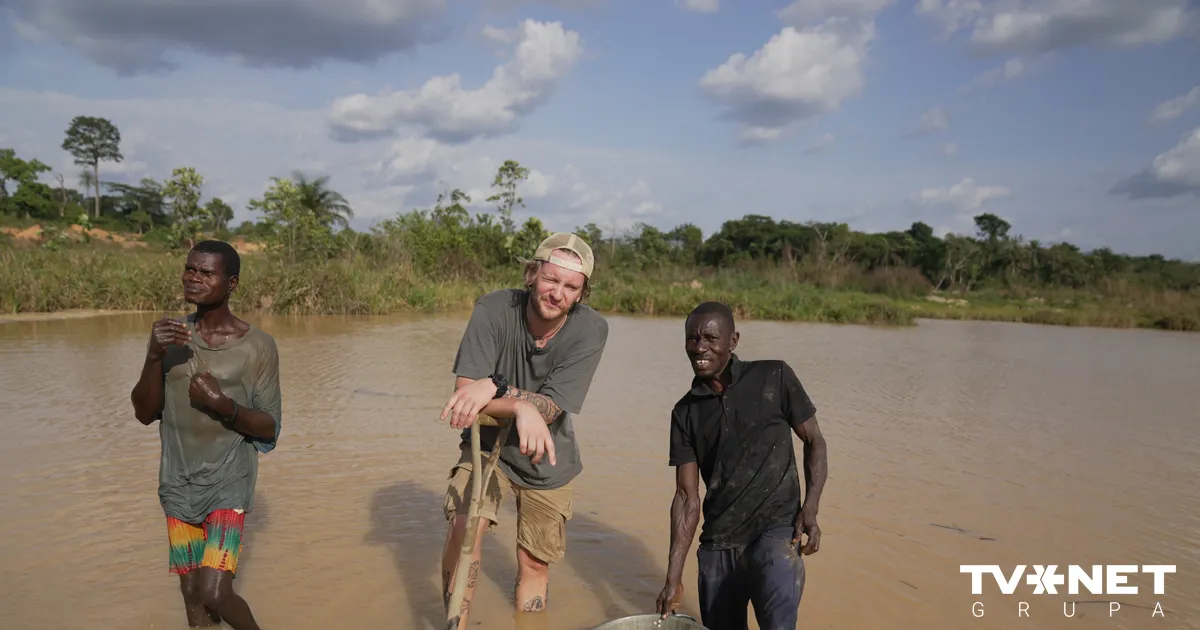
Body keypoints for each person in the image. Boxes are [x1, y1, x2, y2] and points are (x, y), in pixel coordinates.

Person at [438, 232, 610, 625]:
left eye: (570, 287)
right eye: (551, 280)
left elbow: (549, 408)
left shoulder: (591, 329)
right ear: (532, 274)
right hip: (486, 444)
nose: (557, 293)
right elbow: (465, 398)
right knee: (465, 528)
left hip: (547, 453)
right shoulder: (495, 308)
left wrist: (498, 389)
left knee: (535, 561)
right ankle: (455, 623)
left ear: (581, 294)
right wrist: (517, 405)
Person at [130, 239, 282, 630]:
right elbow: (144, 413)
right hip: (178, 484)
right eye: (189, 269)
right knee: (194, 600)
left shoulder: (258, 346)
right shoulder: (170, 336)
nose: (193, 278)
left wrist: (222, 404)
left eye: (206, 272)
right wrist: (152, 356)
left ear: (231, 283)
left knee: (216, 592)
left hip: (228, 485)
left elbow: (269, 427)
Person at [656, 301, 828, 630]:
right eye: (692, 339)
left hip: (774, 531)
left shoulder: (774, 376)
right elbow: (685, 497)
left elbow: (815, 440)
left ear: (732, 341)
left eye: (709, 338)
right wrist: (672, 577)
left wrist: (811, 508)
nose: (699, 347)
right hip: (718, 541)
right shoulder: (685, 413)